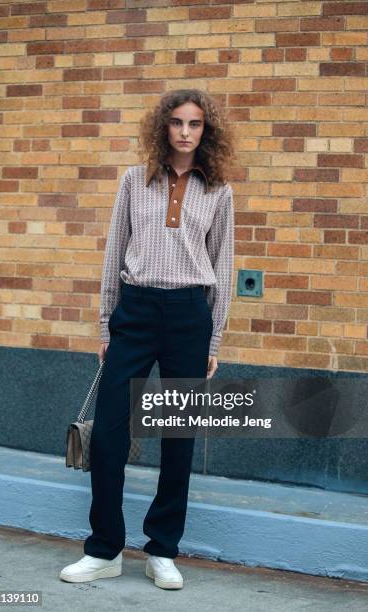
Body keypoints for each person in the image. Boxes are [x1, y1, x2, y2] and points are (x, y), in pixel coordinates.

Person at [60, 88, 235, 590]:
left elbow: (222, 266)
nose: (185, 132)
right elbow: (114, 252)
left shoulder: (218, 190)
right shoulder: (135, 182)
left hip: (188, 315)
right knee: (113, 430)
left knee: (178, 437)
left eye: (195, 124)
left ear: (206, 131)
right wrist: (104, 326)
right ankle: (104, 548)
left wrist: (213, 340)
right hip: (134, 311)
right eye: (177, 122)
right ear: (163, 127)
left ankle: (163, 550)